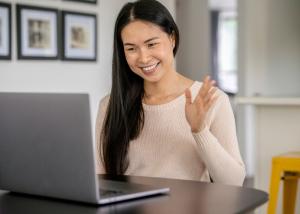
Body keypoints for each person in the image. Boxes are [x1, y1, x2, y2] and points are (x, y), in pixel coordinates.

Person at [96, 0, 245, 186]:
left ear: (172, 39)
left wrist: (200, 130)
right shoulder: (110, 105)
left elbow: (234, 182)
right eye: (131, 48)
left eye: (151, 44)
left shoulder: (210, 100)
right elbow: (100, 180)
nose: (143, 58)